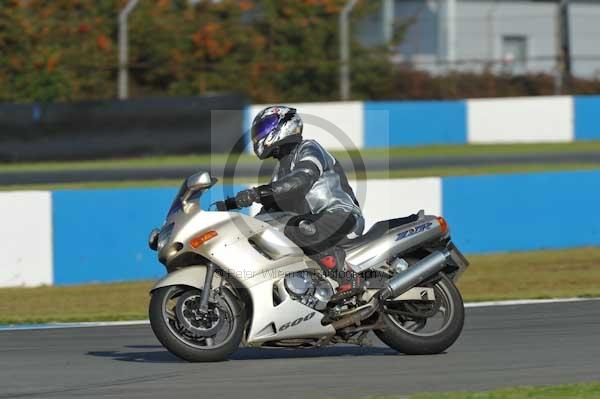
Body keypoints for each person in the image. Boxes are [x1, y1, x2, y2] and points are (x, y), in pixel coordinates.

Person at [233, 106, 365, 297]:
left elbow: (302, 179)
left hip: (342, 216)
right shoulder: (280, 171)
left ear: (284, 125)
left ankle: (349, 278)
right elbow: (272, 209)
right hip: (315, 222)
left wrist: (257, 193)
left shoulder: (309, 148)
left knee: (297, 229)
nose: (258, 136)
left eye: (264, 129)